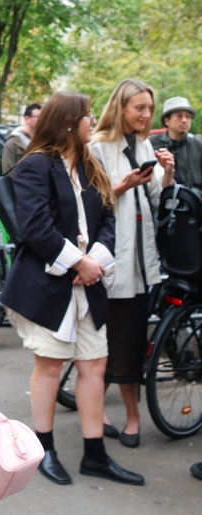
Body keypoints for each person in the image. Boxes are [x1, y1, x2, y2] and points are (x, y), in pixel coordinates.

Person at [0, 92, 144, 486]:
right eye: (87, 115)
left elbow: (109, 216)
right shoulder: (34, 165)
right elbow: (33, 228)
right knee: (49, 368)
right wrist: (79, 262)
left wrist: (94, 261)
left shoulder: (88, 163)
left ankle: (94, 454)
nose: (92, 121)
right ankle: (44, 451)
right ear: (68, 122)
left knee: (94, 366)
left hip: (89, 283)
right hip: (50, 285)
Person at [90, 79, 175, 448]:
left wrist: (166, 173)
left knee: (131, 341)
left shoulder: (144, 143)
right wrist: (121, 186)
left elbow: (158, 199)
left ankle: (133, 417)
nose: (145, 115)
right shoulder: (96, 147)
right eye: (139, 107)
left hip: (141, 265)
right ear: (120, 107)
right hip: (108, 263)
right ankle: (100, 412)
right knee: (100, 346)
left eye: (148, 109)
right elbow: (87, 203)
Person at [149, 96, 202, 191]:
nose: (185, 120)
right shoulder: (152, 144)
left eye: (188, 116)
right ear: (166, 120)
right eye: (179, 116)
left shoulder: (198, 144)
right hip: (162, 199)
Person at [2, 103, 42, 173]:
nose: (42, 120)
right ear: (27, 119)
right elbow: (8, 173)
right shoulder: (13, 143)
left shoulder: (42, 141)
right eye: (38, 117)